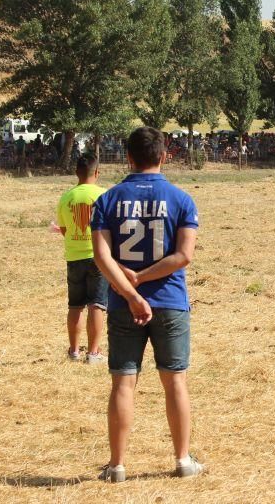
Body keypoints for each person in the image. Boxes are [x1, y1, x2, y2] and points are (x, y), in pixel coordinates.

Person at [90, 127, 203, 482]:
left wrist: (131, 292)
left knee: (123, 383)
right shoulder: (182, 200)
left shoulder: (106, 201)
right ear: (164, 156)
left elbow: (101, 257)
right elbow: (184, 256)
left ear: (127, 157)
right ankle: (183, 460)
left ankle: (117, 465)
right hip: (170, 302)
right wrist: (146, 279)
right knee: (176, 382)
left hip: (124, 305)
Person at [56, 154, 108, 363]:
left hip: (74, 256)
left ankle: (74, 351)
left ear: (76, 172)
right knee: (97, 305)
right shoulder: (104, 196)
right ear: (97, 173)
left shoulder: (66, 198)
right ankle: (93, 353)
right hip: (98, 256)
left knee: (75, 305)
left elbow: (64, 229)